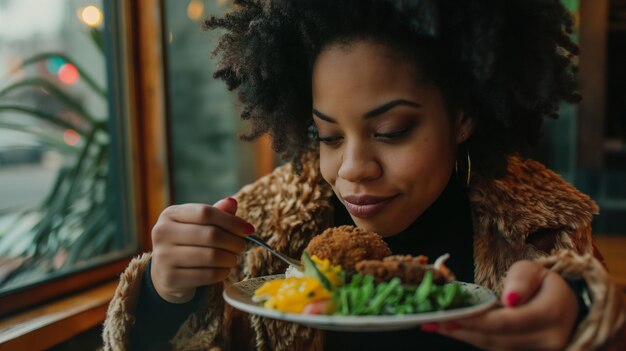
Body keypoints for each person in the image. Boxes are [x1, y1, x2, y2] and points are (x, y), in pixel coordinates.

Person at [103, 0, 626, 350]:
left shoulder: (544, 227)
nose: (352, 168)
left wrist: (581, 316)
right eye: (327, 136)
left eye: (393, 129)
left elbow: (591, 306)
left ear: (463, 116)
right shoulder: (261, 233)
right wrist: (164, 293)